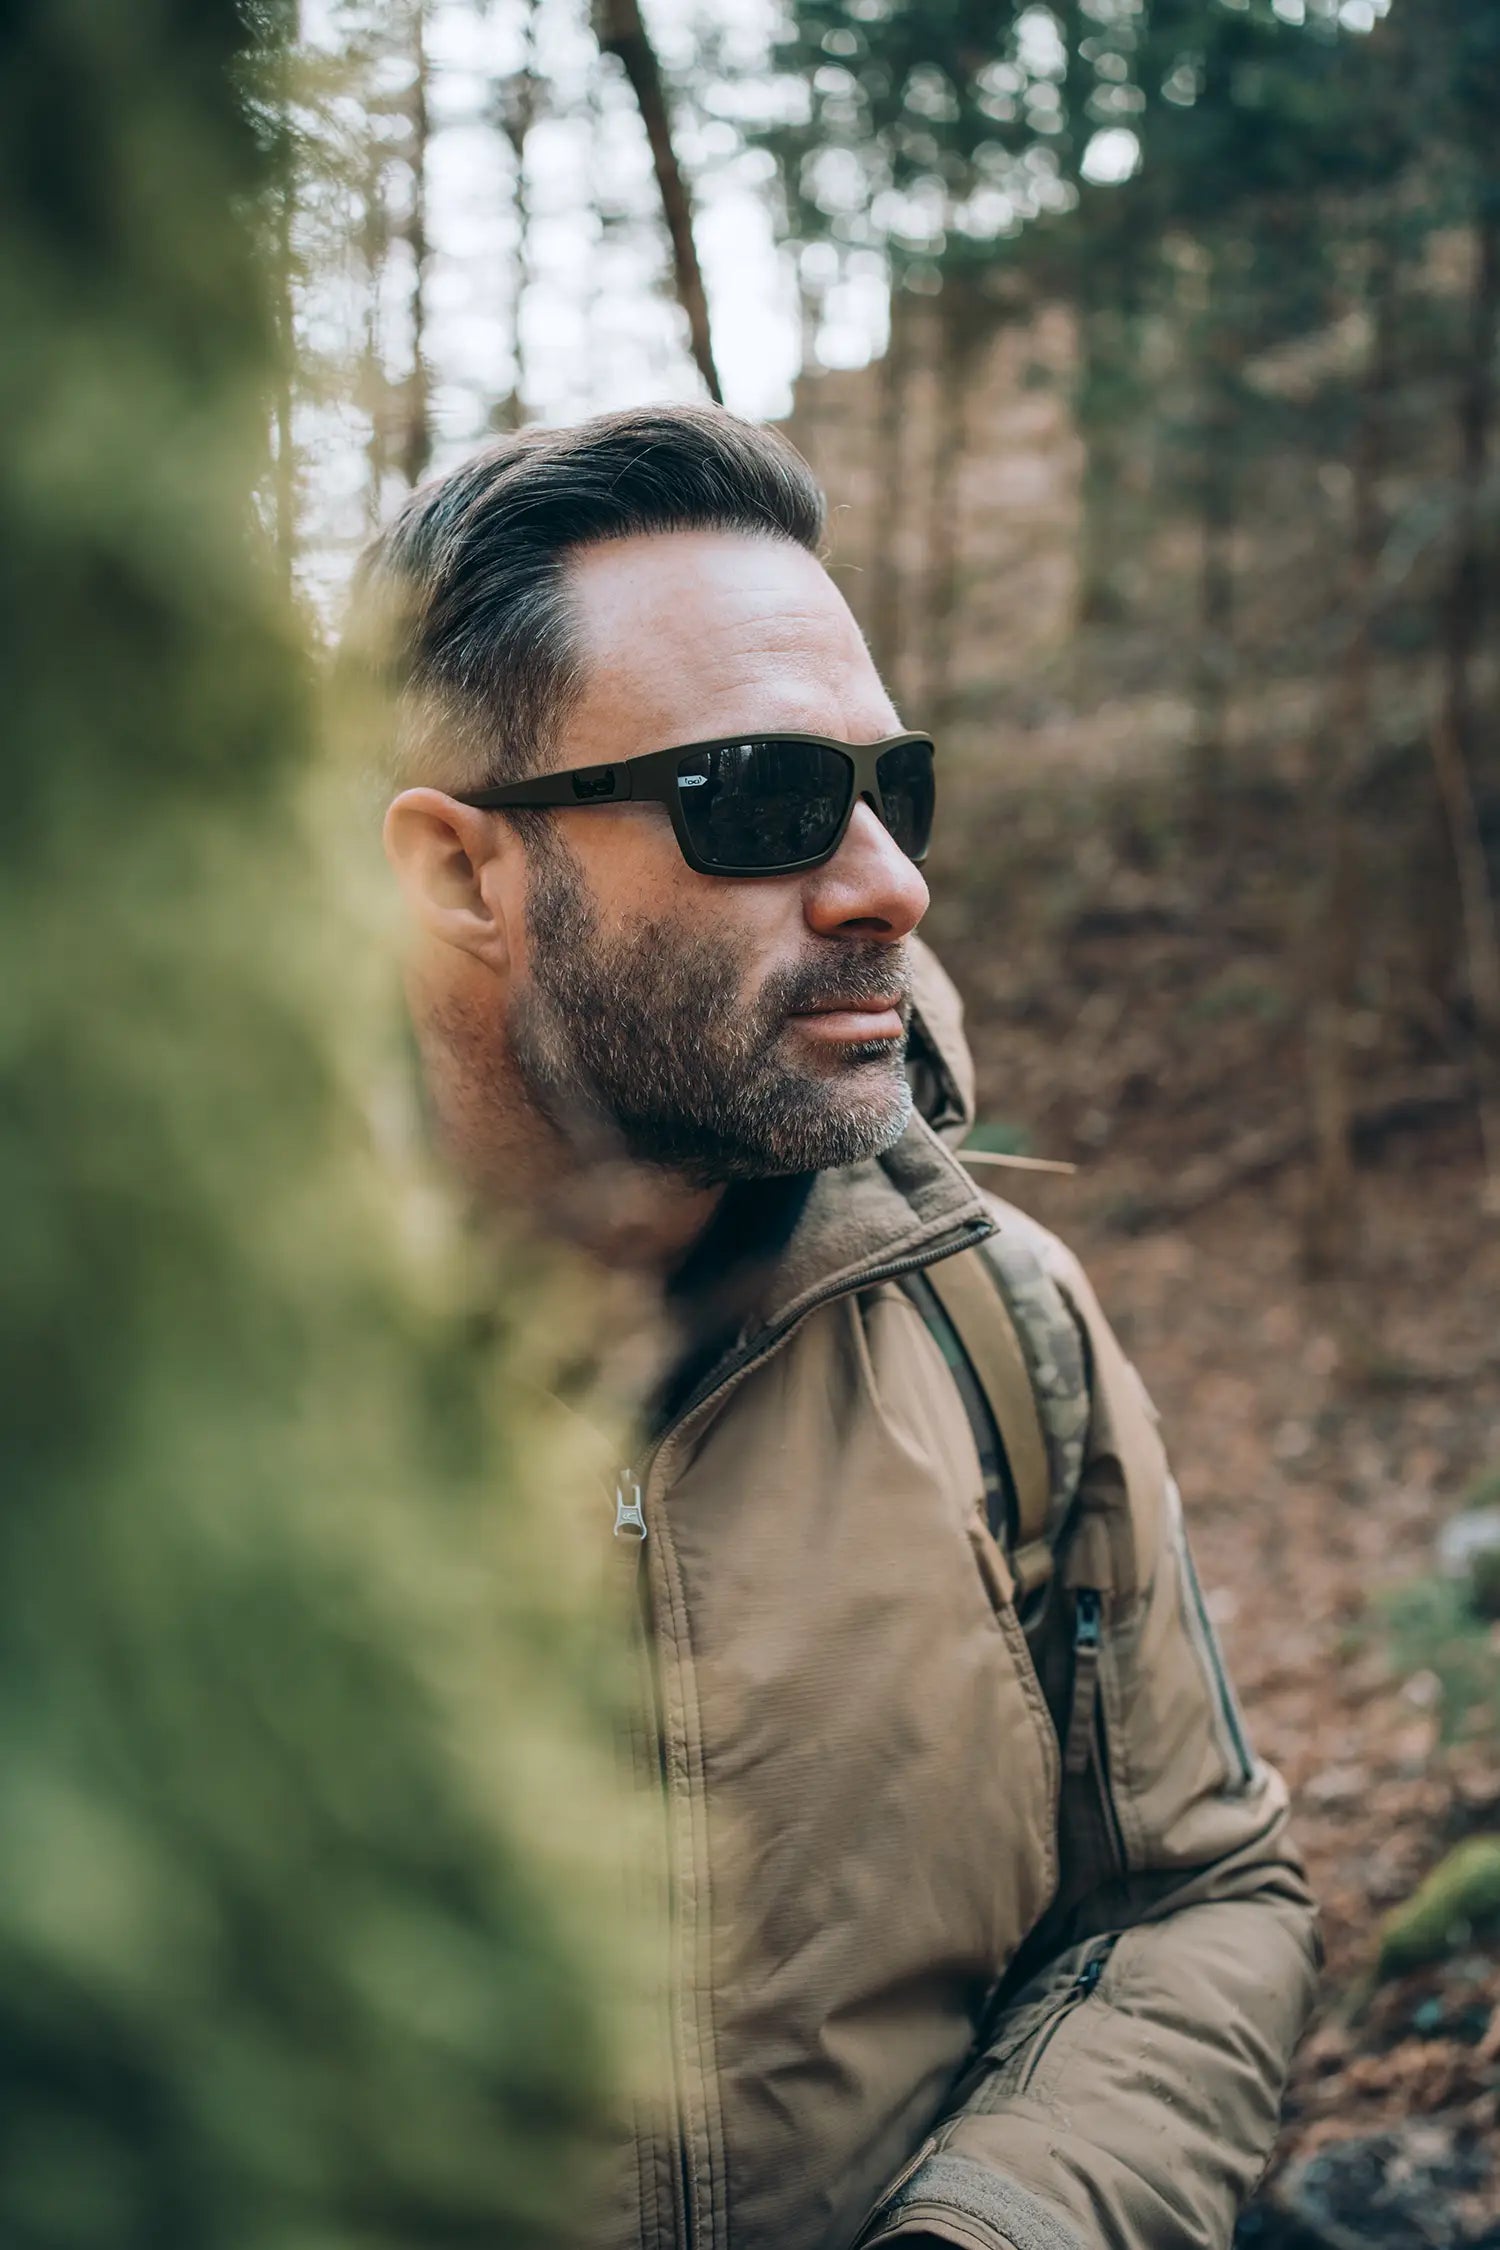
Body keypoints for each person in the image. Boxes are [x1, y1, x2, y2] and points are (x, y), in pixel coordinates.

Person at [358, 403, 1319, 2250]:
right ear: (463, 872)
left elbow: (1192, 1894)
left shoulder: (996, 1321)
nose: (893, 881)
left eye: (895, 788)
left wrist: (999, 2222)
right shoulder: (130, 1399)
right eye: (763, 797)